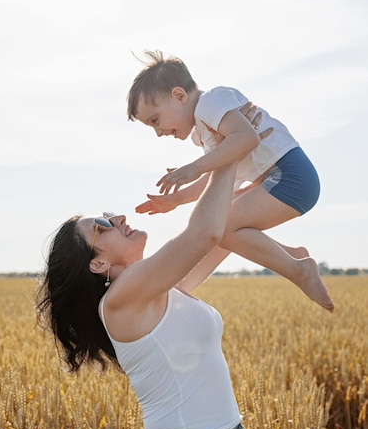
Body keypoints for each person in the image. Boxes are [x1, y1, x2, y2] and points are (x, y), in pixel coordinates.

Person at [36, 163, 251, 429]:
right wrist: (225, 154)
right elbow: (206, 232)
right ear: (97, 265)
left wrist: (253, 167)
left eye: (109, 214)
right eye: (102, 224)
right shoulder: (120, 301)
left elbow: (225, 227)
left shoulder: (159, 290)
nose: (119, 218)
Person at [126, 50, 334, 312]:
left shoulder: (211, 102)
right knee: (220, 220)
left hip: (291, 178)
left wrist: (195, 167)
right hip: (279, 180)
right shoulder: (206, 127)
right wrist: (176, 199)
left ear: (179, 96)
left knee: (221, 227)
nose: (158, 132)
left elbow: (247, 138)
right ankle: (181, 292)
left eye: (156, 120)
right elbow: (222, 178)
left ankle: (298, 269)